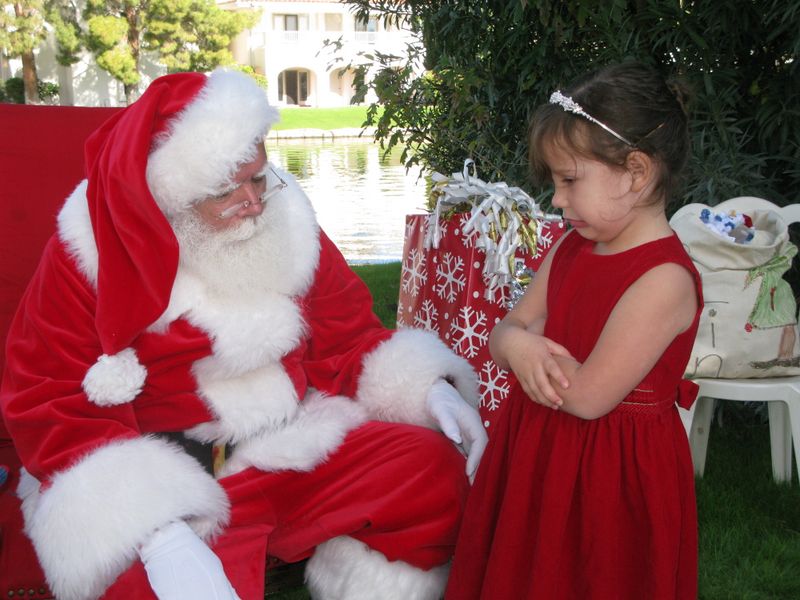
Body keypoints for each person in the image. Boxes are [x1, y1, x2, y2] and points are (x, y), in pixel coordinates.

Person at [0, 69, 488, 600]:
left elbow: (346, 336)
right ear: (170, 197)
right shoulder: (86, 251)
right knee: (153, 584)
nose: (254, 202)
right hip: (176, 486)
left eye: (258, 178)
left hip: (293, 445)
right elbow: (48, 396)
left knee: (432, 472)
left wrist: (427, 387)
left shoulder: (286, 219)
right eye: (225, 192)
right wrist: (157, 531)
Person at [445, 61, 702, 599]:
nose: (557, 200)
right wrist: (516, 341)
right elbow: (508, 330)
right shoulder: (570, 247)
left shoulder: (663, 280)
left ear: (636, 171)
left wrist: (520, 344)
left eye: (569, 180)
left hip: (610, 478)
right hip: (538, 450)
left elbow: (586, 396)